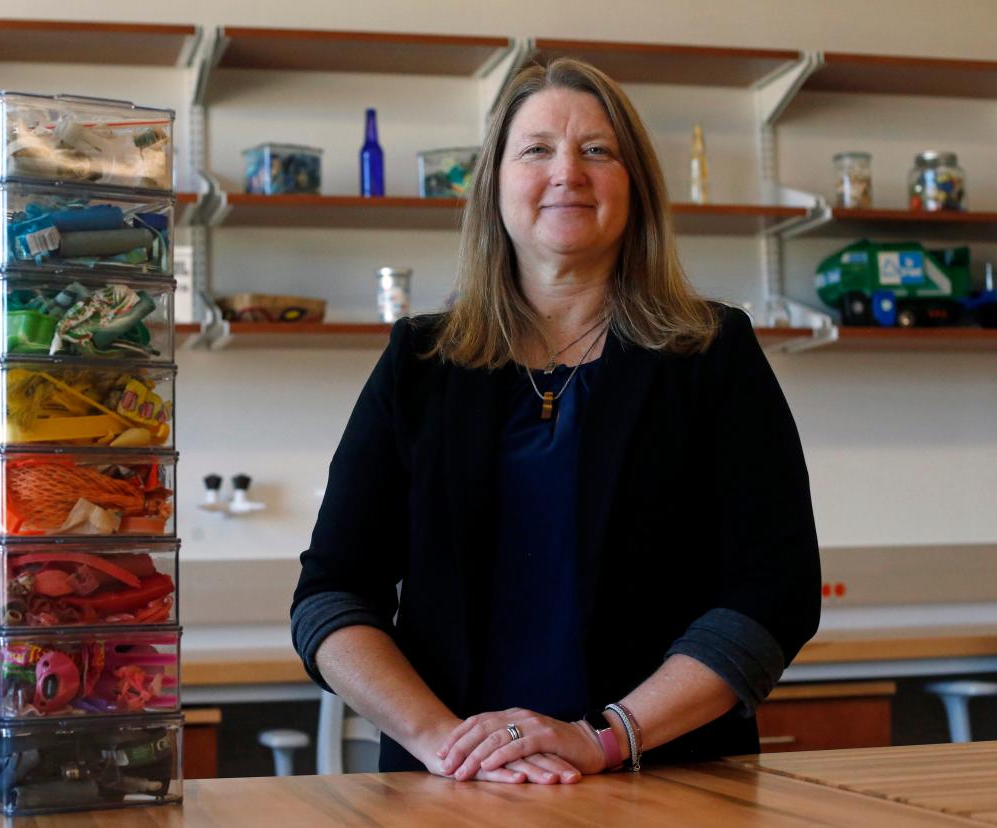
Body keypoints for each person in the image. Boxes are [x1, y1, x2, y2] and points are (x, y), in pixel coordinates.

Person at [290, 58, 821, 784]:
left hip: (666, 780)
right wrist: (447, 745)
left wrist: (605, 737)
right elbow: (332, 593)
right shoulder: (418, 362)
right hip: (450, 787)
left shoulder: (711, 353)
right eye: (536, 149)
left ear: (635, 186)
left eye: (597, 150)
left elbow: (774, 592)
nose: (567, 172)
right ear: (495, 187)